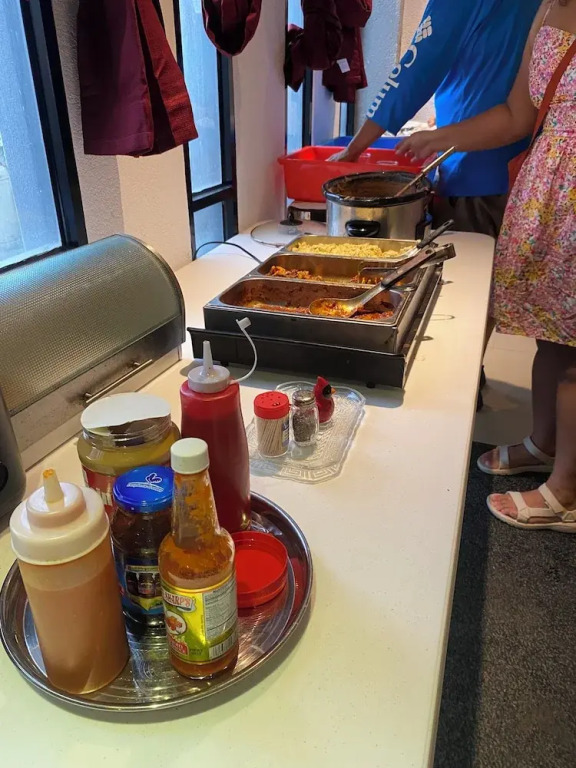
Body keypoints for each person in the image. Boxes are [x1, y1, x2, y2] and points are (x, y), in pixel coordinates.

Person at [397, 0, 576, 532]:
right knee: (550, 337)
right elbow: (518, 115)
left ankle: (567, 492)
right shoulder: (549, 9)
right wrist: (439, 137)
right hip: (548, 194)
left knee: (574, 354)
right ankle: (545, 443)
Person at [331, 0, 542, 239]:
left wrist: (354, 148)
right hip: (531, 174)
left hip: (473, 172)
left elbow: (415, 69)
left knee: (468, 260)